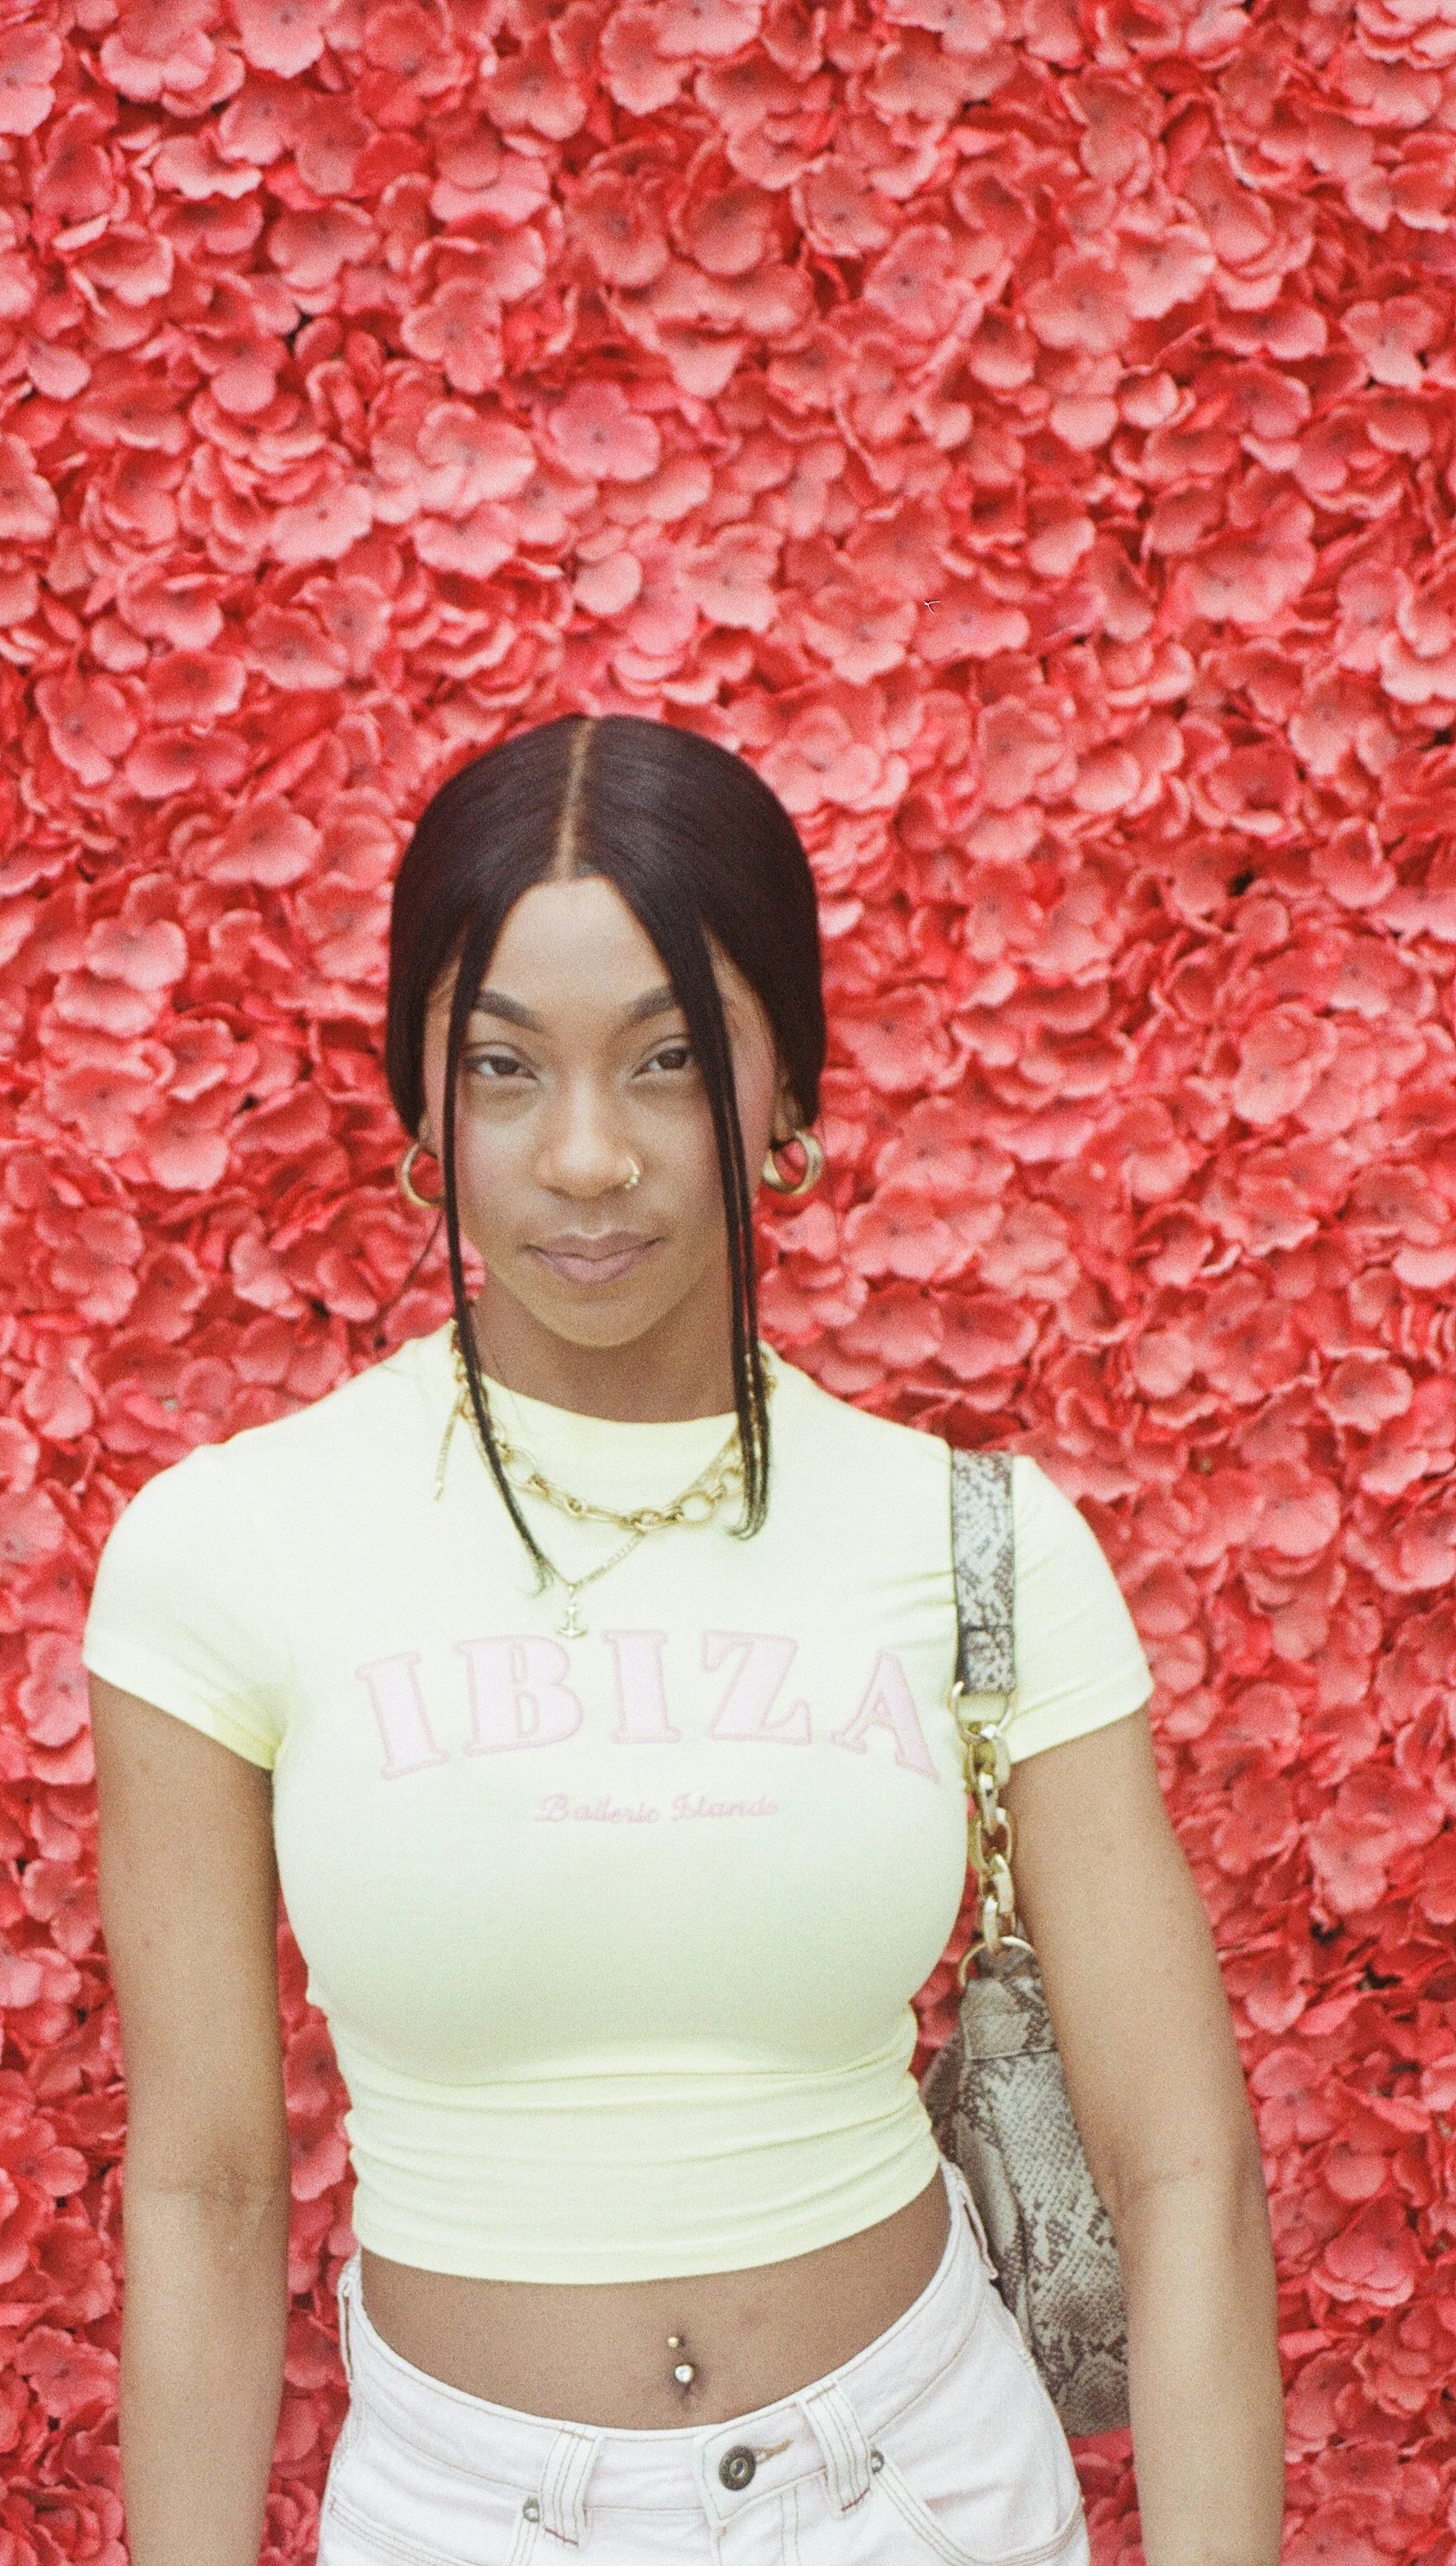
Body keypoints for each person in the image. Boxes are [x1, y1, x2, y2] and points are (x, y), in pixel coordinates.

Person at [83, 713, 1285, 2566]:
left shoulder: (977, 1538)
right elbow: (208, 2183)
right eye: (503, 1067)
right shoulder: (232, 1544)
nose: (584, 1156)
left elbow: (1183, 2168)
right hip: (458, 2514)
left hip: (921, 2492)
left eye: (665, 1063)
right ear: (419, 1104)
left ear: (784, 1092)